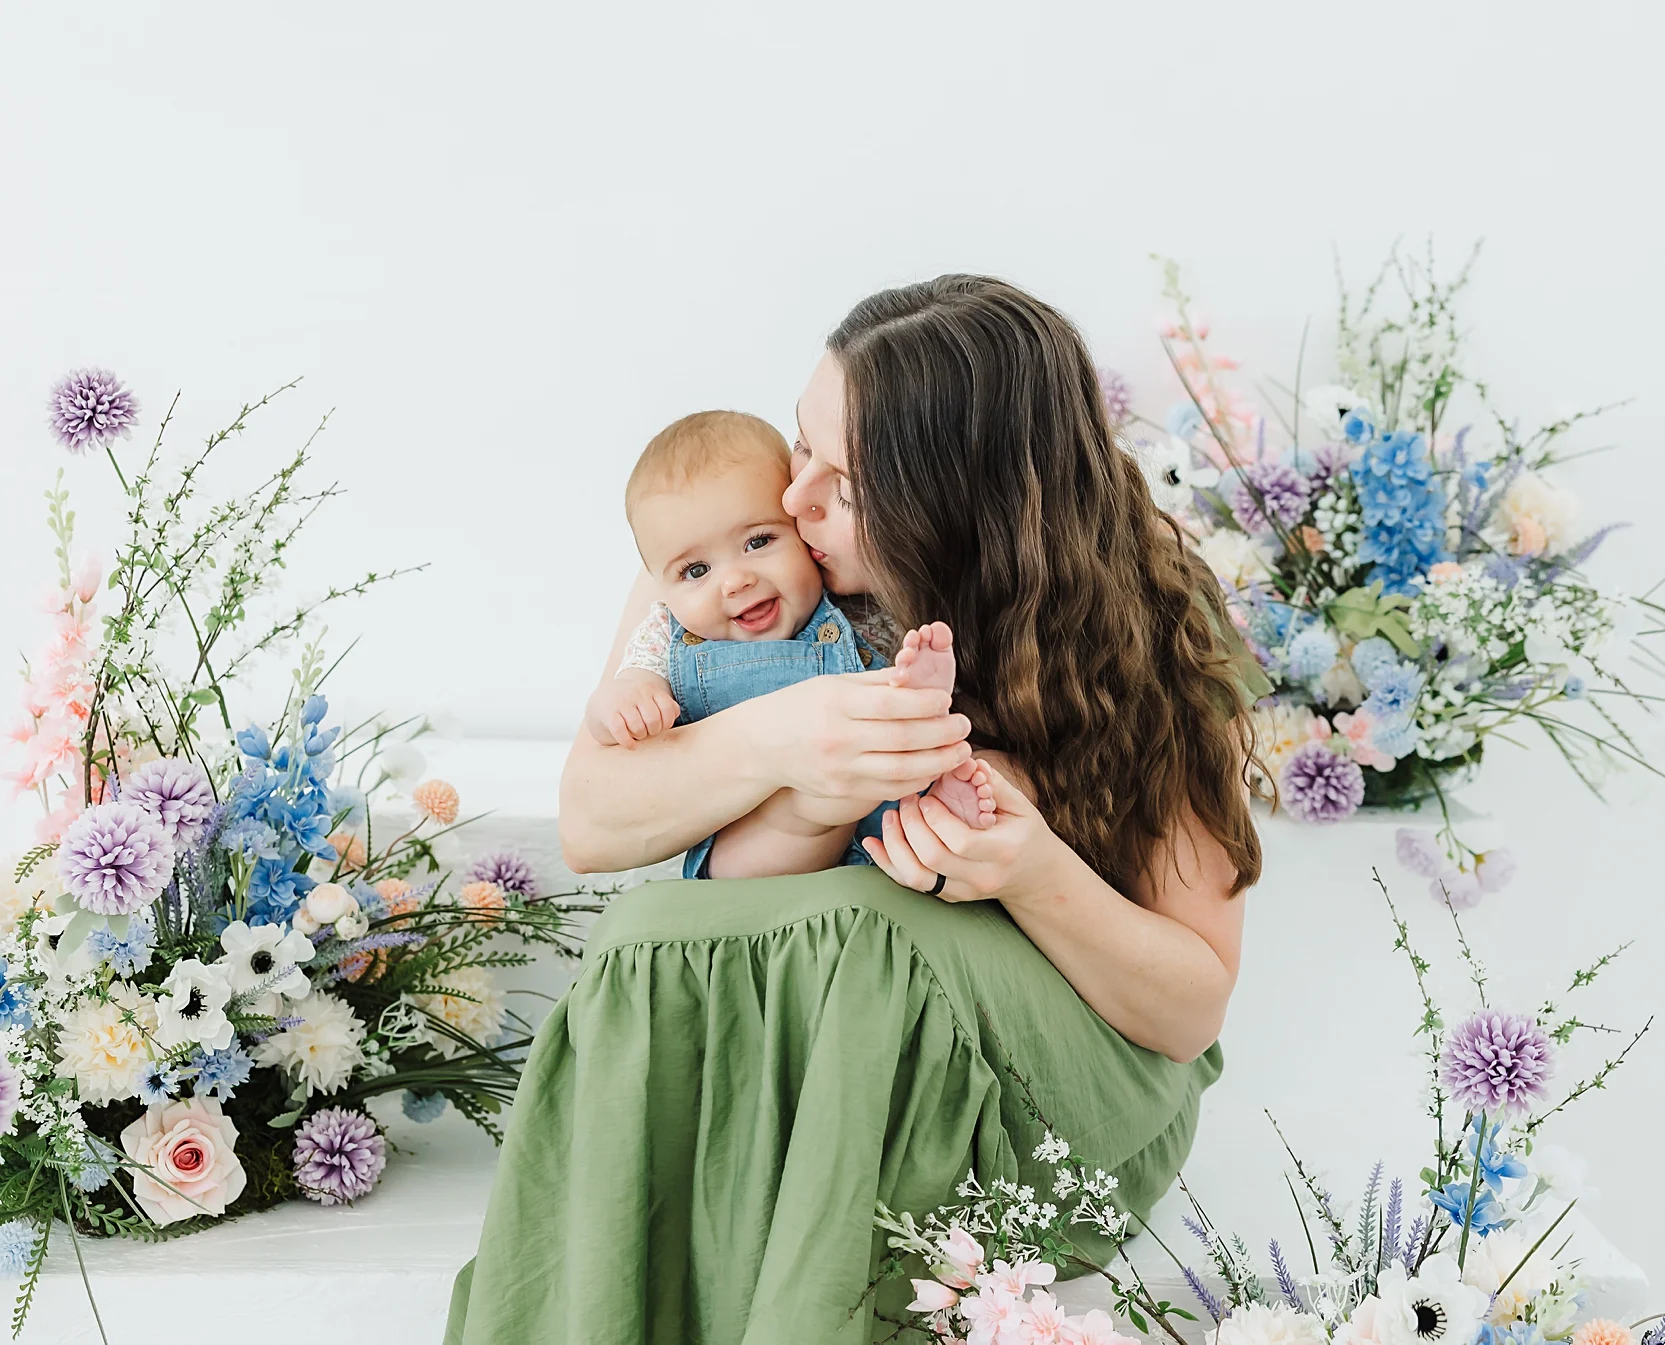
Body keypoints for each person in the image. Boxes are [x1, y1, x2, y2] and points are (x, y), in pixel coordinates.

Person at [445, 274, 1271, 1344]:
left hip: (1069, 1104)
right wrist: (790, 744)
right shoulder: (739, 565)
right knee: (653, 937)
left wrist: (1030, 871)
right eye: (802, 447)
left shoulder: (1143, 614)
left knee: (864, 929)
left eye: (844, 482)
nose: (791, 503)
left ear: (954, 504)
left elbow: (1189, 1009)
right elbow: (596, 825)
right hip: (827, 1052)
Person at [583, 408, 994, 879]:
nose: (736, 581)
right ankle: (832, 801)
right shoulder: (664, 633)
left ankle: (941, 800)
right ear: (660, 585)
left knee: (919, 781)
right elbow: (611, 712)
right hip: (760, 844)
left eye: (758, 542)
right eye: (696, 571)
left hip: (888, 835)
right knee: (799, 819)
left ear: (801, 531)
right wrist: (623, 700)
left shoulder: (855, 605)